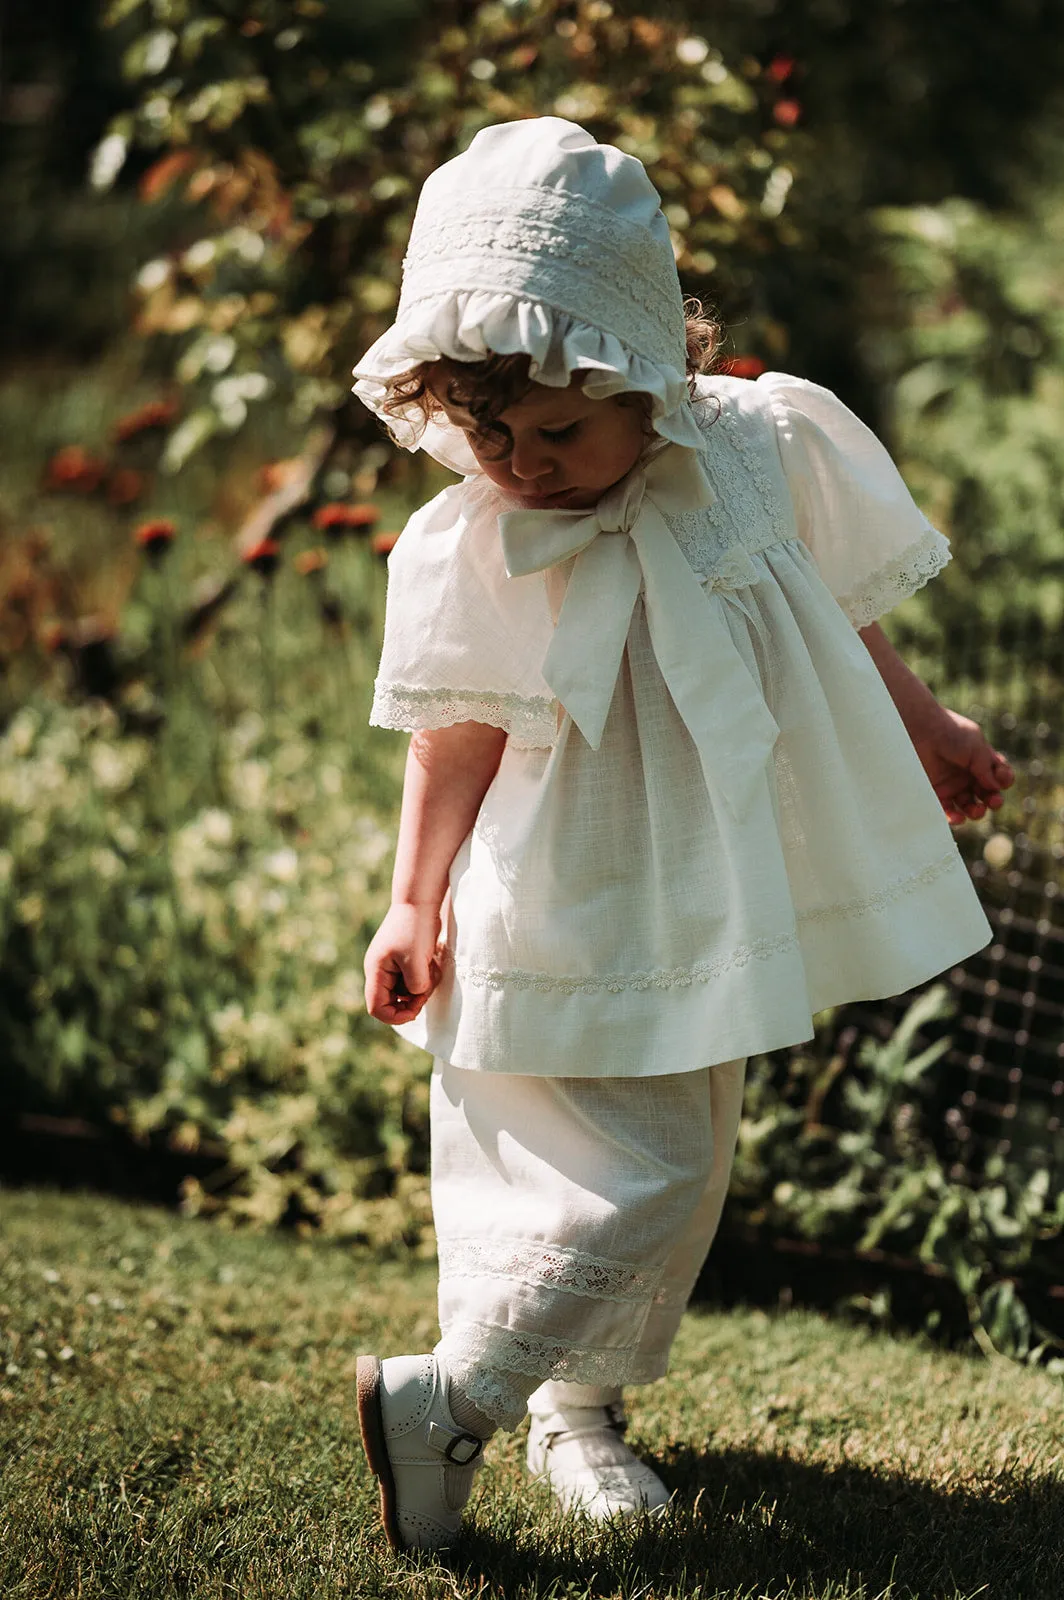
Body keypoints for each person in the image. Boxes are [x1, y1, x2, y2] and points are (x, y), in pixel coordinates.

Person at [350, 117, 1013, 1554]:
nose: (521, 464)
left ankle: (569, 1417)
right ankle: (450, 1395)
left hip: (706, 883)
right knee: (601, 1166)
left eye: (559, 430)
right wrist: (414, 899)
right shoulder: (477, 534)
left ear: (646, 366)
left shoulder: (757, 446)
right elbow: (455, 722)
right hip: (556, 880)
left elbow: (821, 603)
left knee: (683, 1161)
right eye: (490, 435)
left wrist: (931, 725)